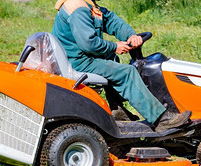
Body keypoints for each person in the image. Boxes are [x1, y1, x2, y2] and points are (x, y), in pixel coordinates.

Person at [52, 0, 191, 132]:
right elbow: (88, 44)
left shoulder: (87, 4)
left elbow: (110, 20)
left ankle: (118, 111)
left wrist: (131, 35)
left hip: (78, 57)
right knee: (127, 73)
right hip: (78, 62)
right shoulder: (78, 9)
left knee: (112, 59)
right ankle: (161, 119)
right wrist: (114, 46)